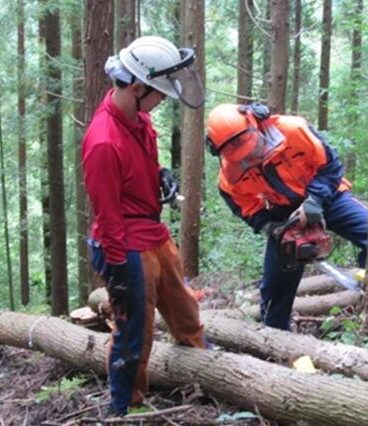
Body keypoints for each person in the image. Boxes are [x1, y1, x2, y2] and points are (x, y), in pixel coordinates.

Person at [82, 35, 207, 417]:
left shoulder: (141, 121)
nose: (163, 99)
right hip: (125, 244)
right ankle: (125, 407)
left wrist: (160, 177)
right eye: (159, 93)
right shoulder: (103, 141)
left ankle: (207, 374)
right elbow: (107, 214)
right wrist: (119, 269)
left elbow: (140, 172)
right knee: (135, 330)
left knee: (185, 309)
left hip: (154, 234)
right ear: (137, 87)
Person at [205, 103, 368, 330]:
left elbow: (330, 165)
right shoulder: (229, 178)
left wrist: (314, 201)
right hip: (281, 212)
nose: (251, 156)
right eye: (241, 156)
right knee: (275, 287)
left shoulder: (294, 130)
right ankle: (275, 336)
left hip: (328, 194)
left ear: (256, 123)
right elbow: (248, 209)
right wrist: (273, 228)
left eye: (252, 148)